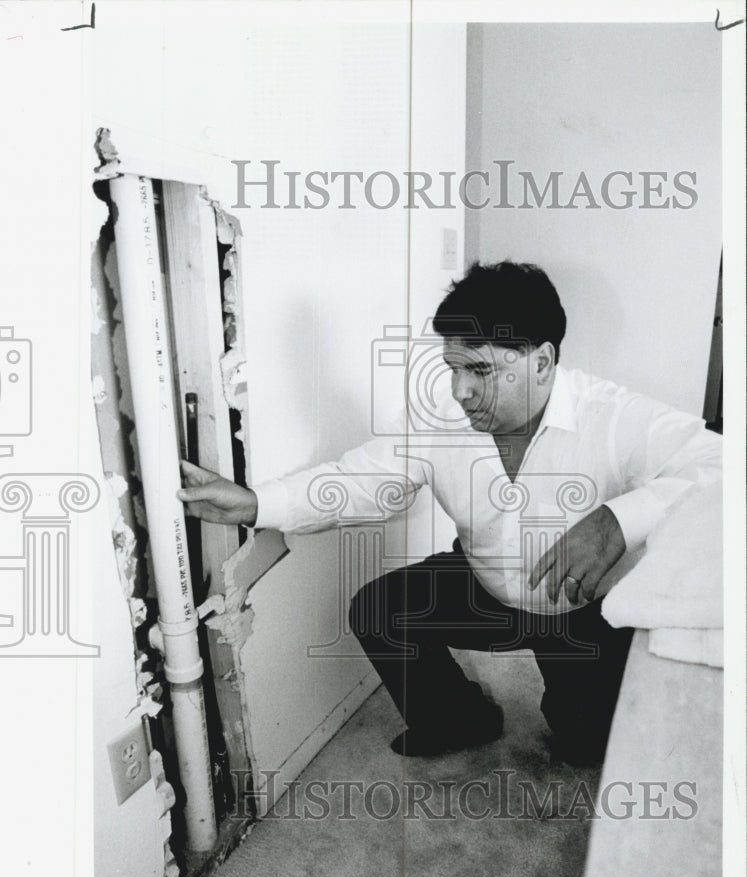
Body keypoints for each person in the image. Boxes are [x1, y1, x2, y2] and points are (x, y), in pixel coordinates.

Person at [178, 261, 721, 763]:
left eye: (480, 371)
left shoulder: (613, 415)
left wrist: (616, 521)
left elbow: (725, 468)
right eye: (453, 368)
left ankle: (584, 715)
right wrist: (254, 503)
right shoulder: (441, 416)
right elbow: (361, 480)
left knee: (587, 744)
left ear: (542, 361)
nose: (460, 390)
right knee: (379, 612)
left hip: (582, 608)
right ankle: (459, 718)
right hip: (488, 586)